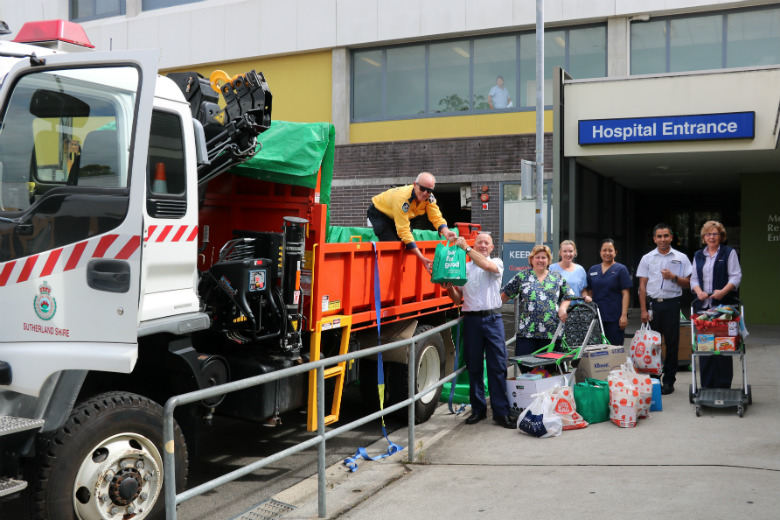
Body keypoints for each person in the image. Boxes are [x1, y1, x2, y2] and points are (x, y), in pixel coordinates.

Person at [442, 233, 514, 429]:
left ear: (491, 248)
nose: (483, 245)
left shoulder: (497, 262)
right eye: (479, 242)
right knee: (474, 366)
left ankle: (501, 412)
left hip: (493, 318)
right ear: (475, 244)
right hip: (471, 320)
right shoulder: (463, 268)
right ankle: (478, 410)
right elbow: (458, 300)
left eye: (486, 243)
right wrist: (449, 288)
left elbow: (486, 266)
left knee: (497, 366)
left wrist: (466, 248)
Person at [637, 224, 692, 395]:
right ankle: (654, 379)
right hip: (654, 305)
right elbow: (642, 286)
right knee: (652, 345)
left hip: (672, 304)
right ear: (654, 239)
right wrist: (643, 310)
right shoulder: (647, 258)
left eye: (666, 236)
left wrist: (673, 277)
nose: (663, 239)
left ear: (671, 237)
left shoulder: (681, 257)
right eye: (659, 236)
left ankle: (669, 380)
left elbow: (689, 283)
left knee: (672, 344)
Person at [367, 172, 457, 273]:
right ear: (415, 185)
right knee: (393, 244)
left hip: (395, 215)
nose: (425, 193)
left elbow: (436, 216)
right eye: (422, 189)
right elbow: (404, 231)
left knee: (405, 243)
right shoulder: (402, 199)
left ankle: (402, 271)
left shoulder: (429, 198)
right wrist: (421, 257)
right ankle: (388, 273)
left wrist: (446, 231)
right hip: (380, 212)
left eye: (429, 190)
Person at [690, 220, 742, 389]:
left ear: (721, 236)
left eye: (715, 234)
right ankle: (706, 387)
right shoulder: (698, 255)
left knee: (723, 347)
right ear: (703, 237)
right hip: (704, 309)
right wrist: (699, 292)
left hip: (724, 308)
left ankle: (723, 386)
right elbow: (694, 279)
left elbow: (736, 276)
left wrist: (723, 291)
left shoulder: (729, 252)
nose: (711, 237)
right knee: (705, 348)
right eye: (708, 234)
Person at [500, 244, 571, 356]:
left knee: (551, 369)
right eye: (537, 257)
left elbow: (568, 296)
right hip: (527, 333)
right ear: (531, 259)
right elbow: (505, 295)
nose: (540, 260)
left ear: (548, 261)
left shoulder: (557, 278)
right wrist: (490, 310)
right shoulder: (522, 277)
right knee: (525, 366)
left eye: (544, 258)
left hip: (551, 332)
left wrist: (562, 308)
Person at [584, 239, 632, 346]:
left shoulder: (621, 269)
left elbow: (626, 294)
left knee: (614, 348)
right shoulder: (593, 270)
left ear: (615, 252)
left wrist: (624, 315)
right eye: (604, 250)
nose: (607, 253)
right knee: (597, 349)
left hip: (614, 317)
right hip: (596, 317)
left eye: (610, 250)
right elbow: (589, 292)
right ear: (600, 252)